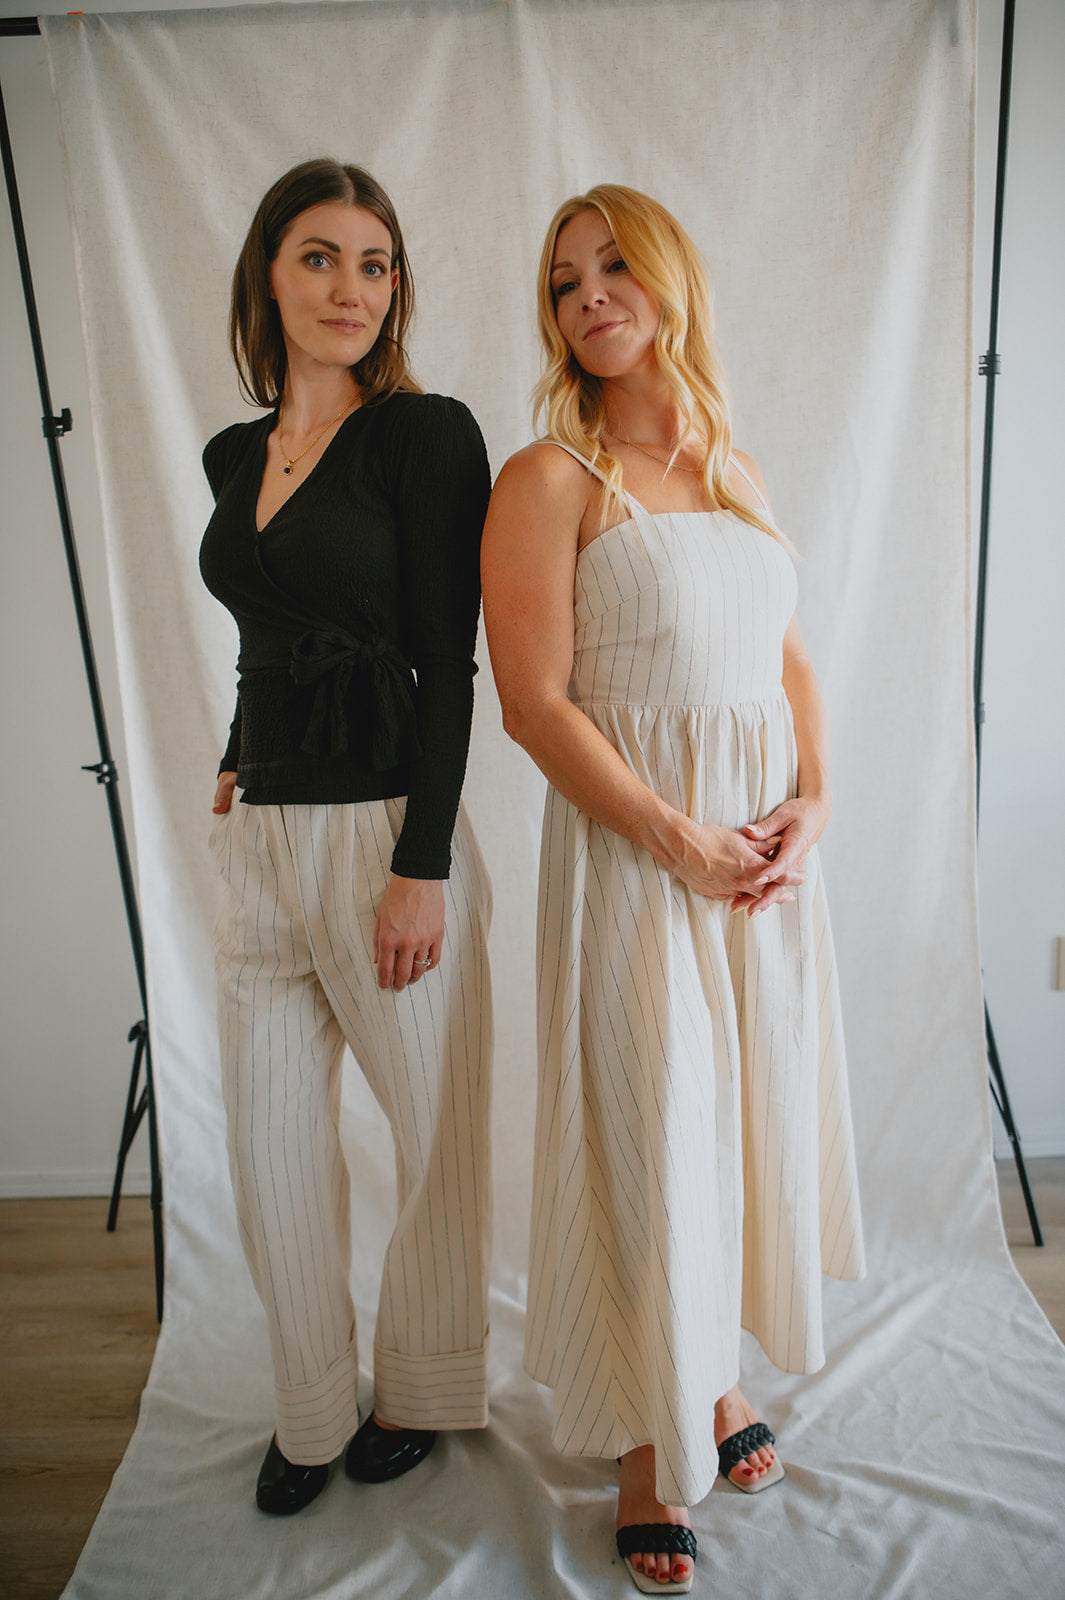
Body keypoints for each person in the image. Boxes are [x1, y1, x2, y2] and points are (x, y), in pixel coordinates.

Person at [481, 185, 864, 1593]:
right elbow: (532, 704)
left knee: (730, 1128)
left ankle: (710, 1378)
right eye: (563, 280)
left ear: (669, 281)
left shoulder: (732, 464)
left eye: (614, 266)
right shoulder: (548, 478)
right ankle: (651, 1443)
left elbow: (790, 659)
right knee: (651, 1131)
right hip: (638, 858)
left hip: (757, 870)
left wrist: (816, 801)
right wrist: (671, 836)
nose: (588, 295)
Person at [199, 159, 493, 1515]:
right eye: (319, 257)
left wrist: (421, 867)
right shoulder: (233, 453)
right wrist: (234, 750)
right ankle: (310, 1409)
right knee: (270, 1154)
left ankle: (419, 1388)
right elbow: (268, 629)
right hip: (262, 838)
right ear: (269, 273)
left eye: (375, 264)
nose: (350, 288)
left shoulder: (423, 437)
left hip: (386, 834)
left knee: (433, 1140)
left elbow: (448, 662)